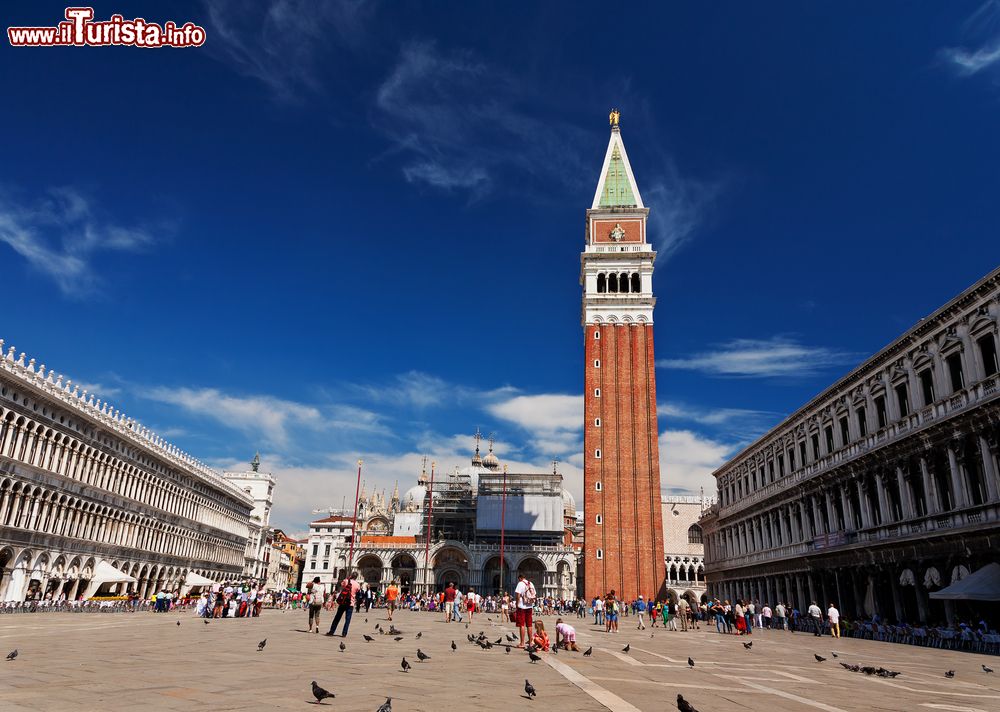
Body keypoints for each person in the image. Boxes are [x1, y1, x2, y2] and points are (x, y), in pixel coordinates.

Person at [326, 573, 362, 638]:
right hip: (350, 603)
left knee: (337, 617)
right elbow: (358, 594)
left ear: (351, 576)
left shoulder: (346, 581)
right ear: (356, 577)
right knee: (347, 619)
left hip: (343, 602)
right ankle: (344, 633)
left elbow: (341, 585)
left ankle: (332, 631)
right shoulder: (357, 585)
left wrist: (348, 578)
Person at [515, 573, 537, 648]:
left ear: (520, 578)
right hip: (530, 606)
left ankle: (522, 643)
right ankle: (531, 642)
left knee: (522, 625)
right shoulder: (531, 583)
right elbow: (534, 594)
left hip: (522, 606)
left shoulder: (520, 584)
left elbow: (517, 595)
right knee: (529, 624)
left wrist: (517, 604)